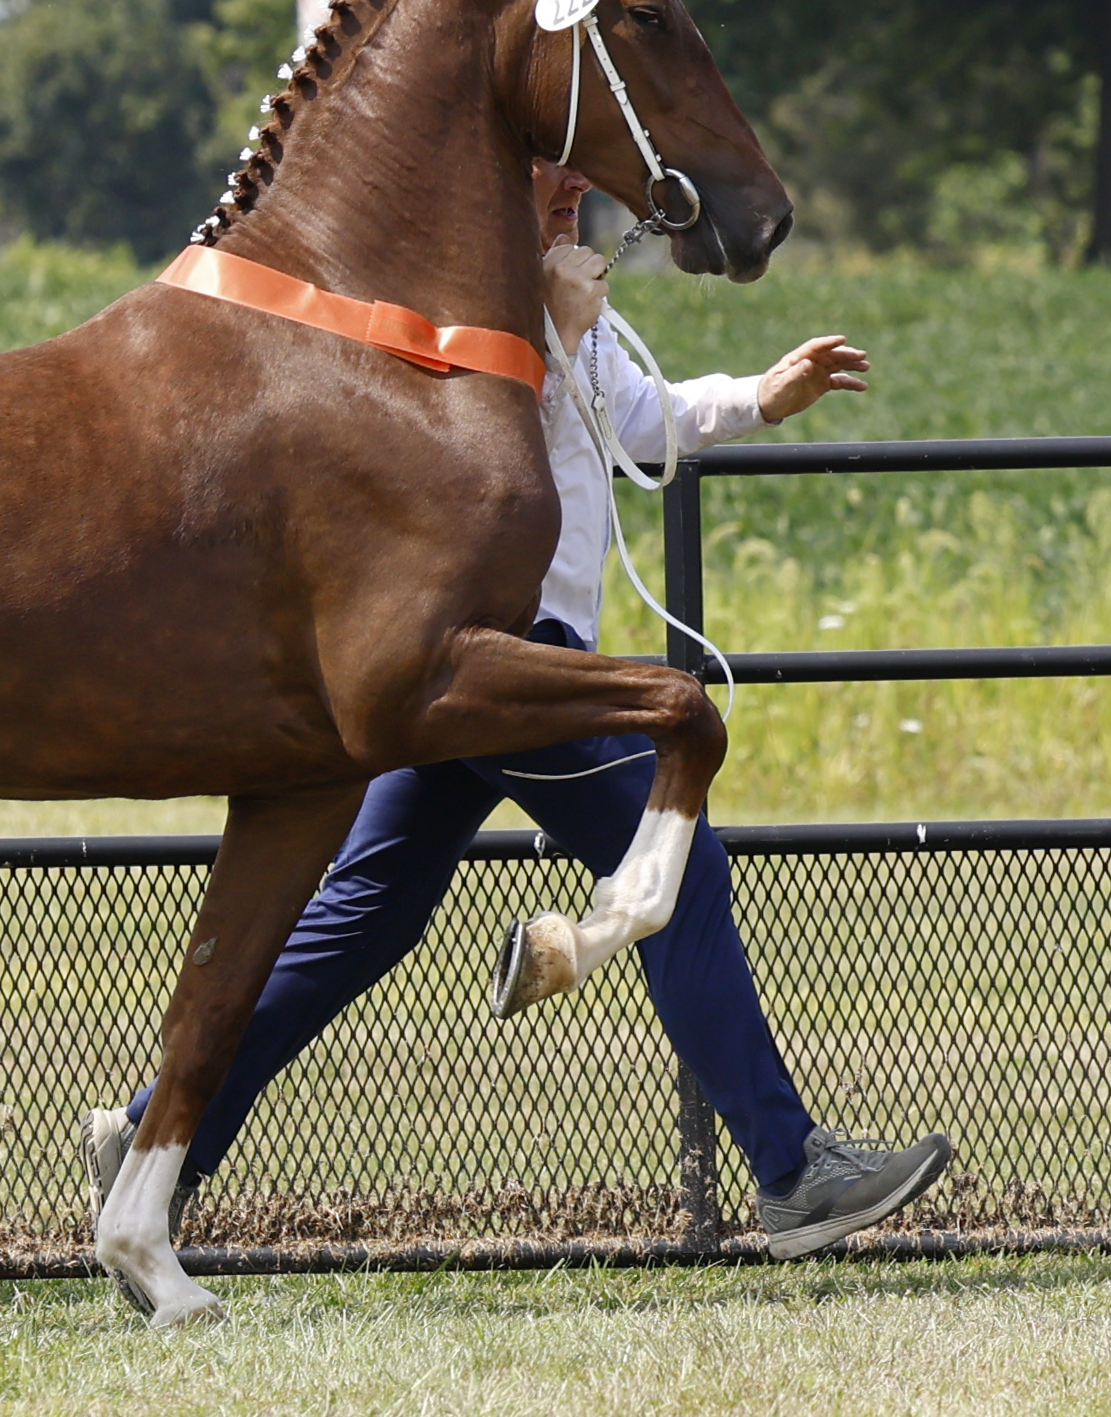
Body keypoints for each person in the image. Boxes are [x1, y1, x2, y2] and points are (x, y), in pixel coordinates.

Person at [86, 156, 953, 1266]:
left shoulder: (564, 303)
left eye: (573, 183)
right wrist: (548, 326)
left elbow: (635, 421)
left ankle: (153, 1135)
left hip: (483, 665)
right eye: (543, 179)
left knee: (366, 915)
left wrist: (759, 396)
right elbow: (466, 460)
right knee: (676, 865)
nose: (567, 197)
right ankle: (792, 1172)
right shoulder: (467, 302)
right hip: (507, 654)